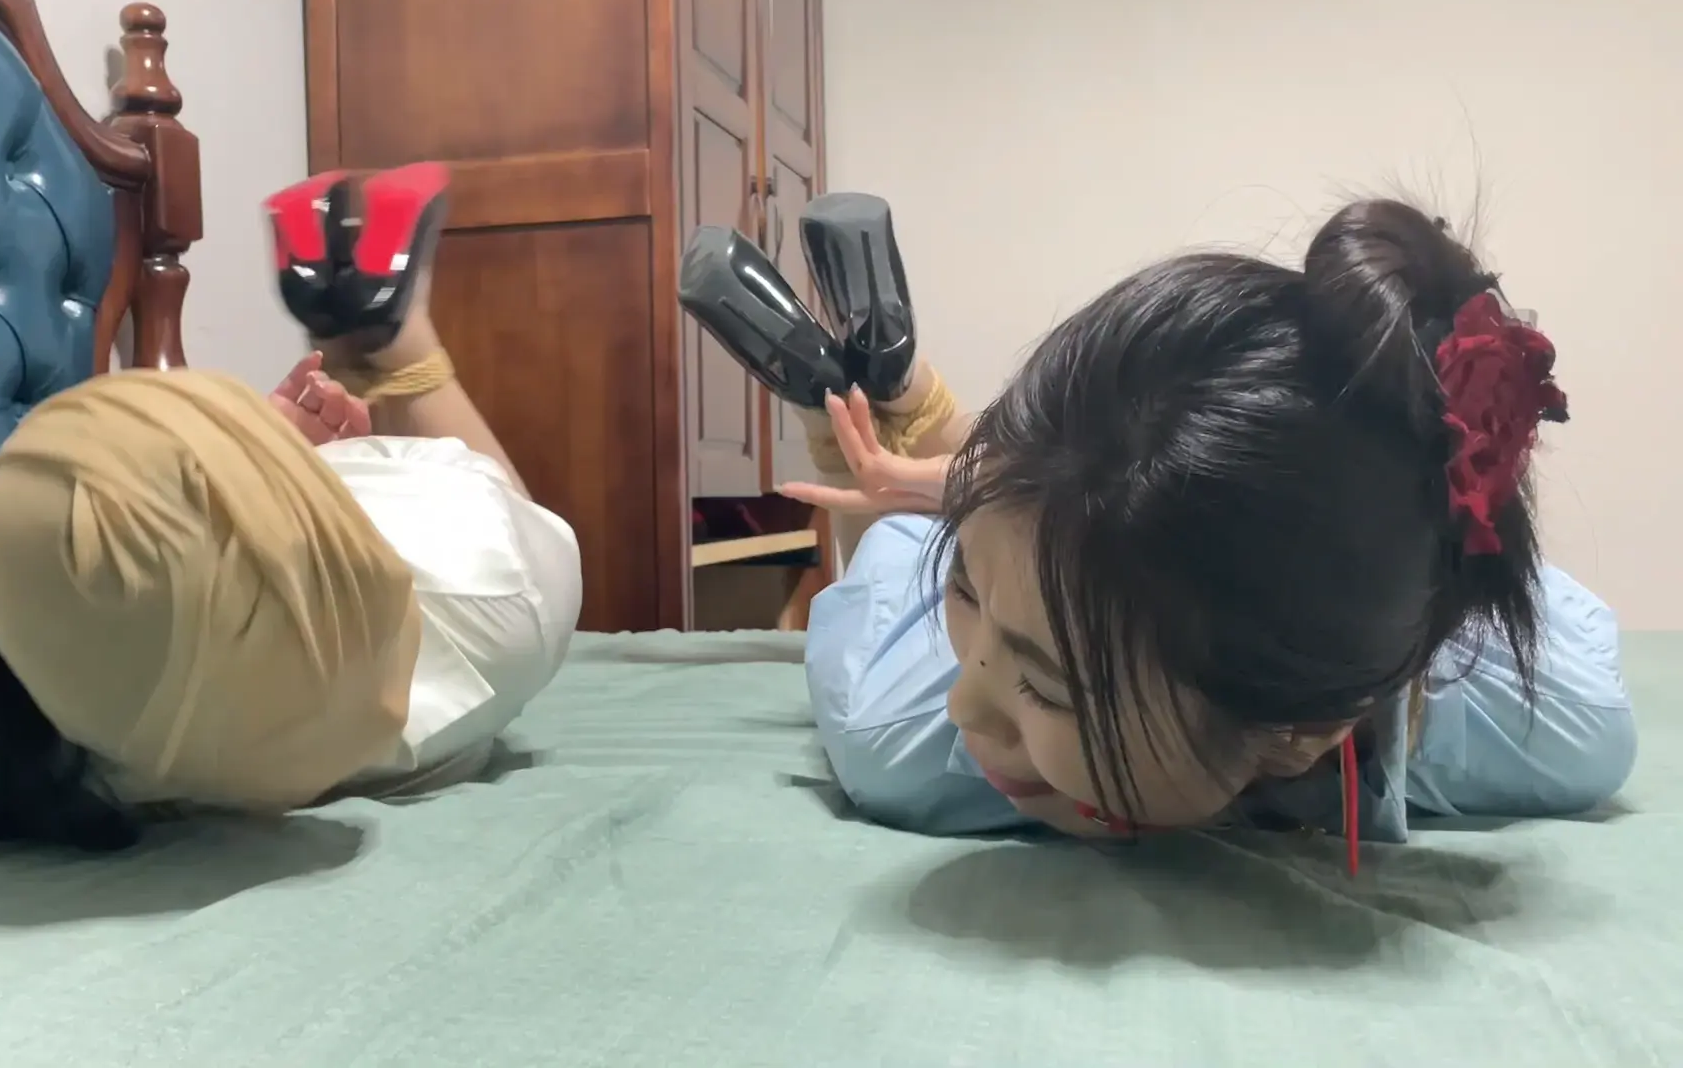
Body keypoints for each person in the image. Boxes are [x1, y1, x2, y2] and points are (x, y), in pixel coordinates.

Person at [678, 194, 1635, 862]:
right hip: (1012, 526)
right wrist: (970, 511)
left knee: (910, 529)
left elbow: (1505, 573)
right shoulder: (915, 726)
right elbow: (904, 577)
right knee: (913, 530)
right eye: (961, 587)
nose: (967, 709)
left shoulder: (1553, 725)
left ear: (1299, 732)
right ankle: (924, 429)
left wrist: (1387, 539)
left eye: (1049, 689)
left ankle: (919, 450)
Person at [0, 164, 582, 852]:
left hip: (56, 568)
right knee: (487, 521)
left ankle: (284, 405)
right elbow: (510, 533)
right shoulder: (474, 617)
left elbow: (16, 529)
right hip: (77, 548)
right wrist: (230, 450)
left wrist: (243, 448)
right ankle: (391, 342)